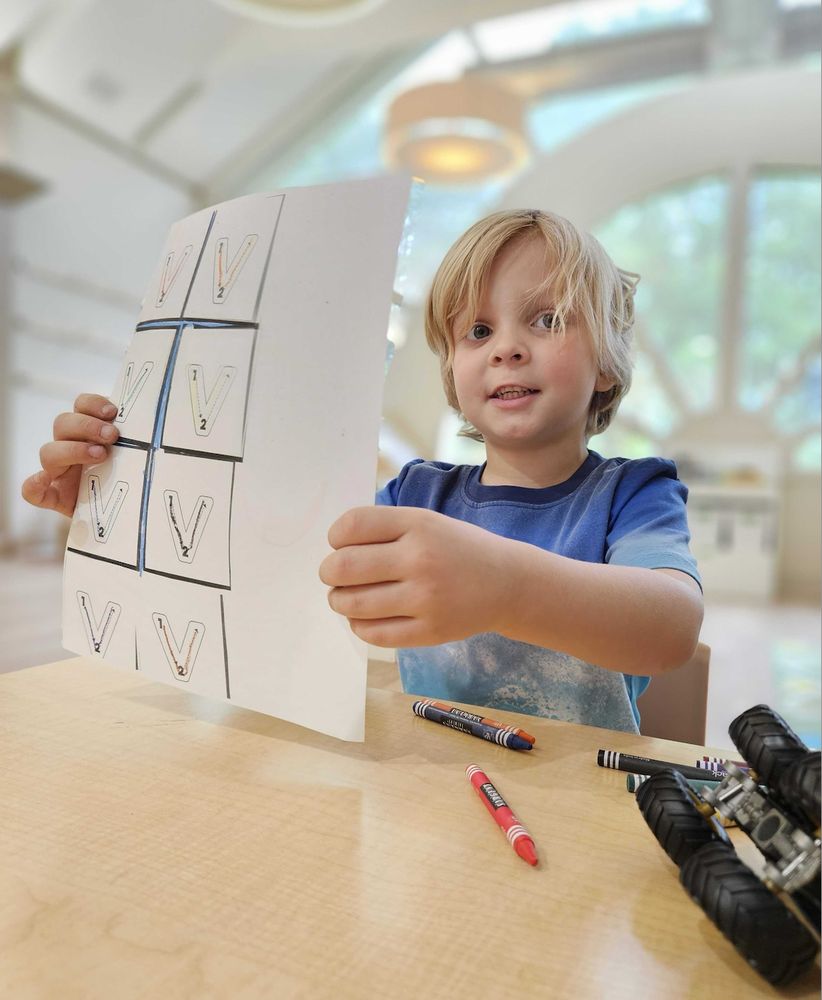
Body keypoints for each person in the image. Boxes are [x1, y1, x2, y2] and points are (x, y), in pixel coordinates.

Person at [22, 208, 703, 734]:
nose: (508, 350)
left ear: (609, 359)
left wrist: (503, 586)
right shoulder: (415, 494)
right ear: (450, 368)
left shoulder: (633, 491)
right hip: (432, 783)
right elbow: (275, 560)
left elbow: (670, 629)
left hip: (582, 804)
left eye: (546, 319)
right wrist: (124, 501)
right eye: (478, 332)